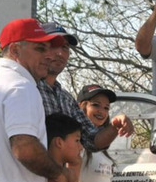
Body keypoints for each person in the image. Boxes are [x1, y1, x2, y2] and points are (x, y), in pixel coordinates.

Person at [0, 18, 76, 182]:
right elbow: (24, 148)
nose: (48, 55)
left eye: (50, 48)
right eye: (40, 48)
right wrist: (59, 174)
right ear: (15, 50)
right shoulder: (21, 86)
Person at [38, 22, 134, 152]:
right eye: (53, 45)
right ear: (38, 48)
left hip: (55, 173)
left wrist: (115, 126)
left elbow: (92, 140)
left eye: (65, 47)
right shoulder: (27, 88)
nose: (60, 53)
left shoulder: (66, 98)